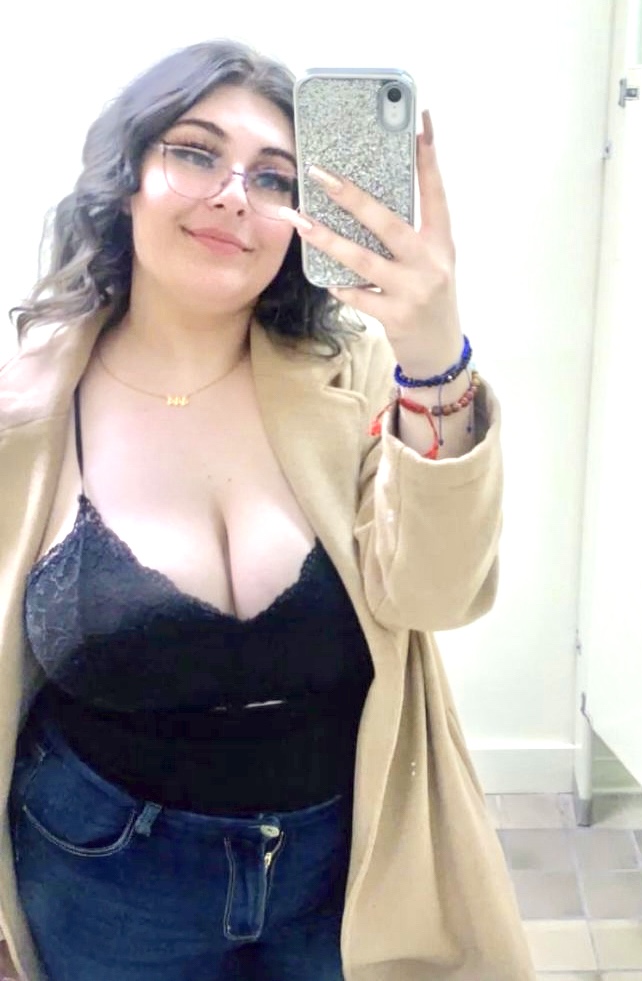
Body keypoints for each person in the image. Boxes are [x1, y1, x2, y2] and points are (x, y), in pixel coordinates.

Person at [0, 39, 535, 981]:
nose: (235, 195)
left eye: (275, 176)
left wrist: (432, 353)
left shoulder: (354, 376)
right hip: (99, 877)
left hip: (345, 868)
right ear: (126, 178)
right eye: (195, 152)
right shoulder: (25, 413)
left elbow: (438, 595)